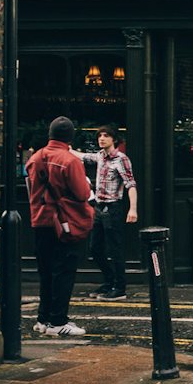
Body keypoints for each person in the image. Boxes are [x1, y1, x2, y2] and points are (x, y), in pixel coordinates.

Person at [27, 116, 94, 336]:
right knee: (63, 273)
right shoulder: (70, 160)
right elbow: (82, 193)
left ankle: (43, 320)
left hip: (40, 221)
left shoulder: (35, 158)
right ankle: (58, 322)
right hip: (64, 224)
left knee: (46, 272)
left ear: (50, 134)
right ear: (70, 137)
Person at [78, 127, 137, 300]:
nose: (102, 139)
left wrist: (132, 209)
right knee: (95, 248)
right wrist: (66, 149)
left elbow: (131, 184)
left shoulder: (121, 159)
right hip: (99, 207)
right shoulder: (100, 157)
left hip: (113, 208)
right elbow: (82, 156)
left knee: (115, 249)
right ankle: (109, 281)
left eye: (106, 136)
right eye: (99, 136)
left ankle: (120, 288)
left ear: (114, 139)